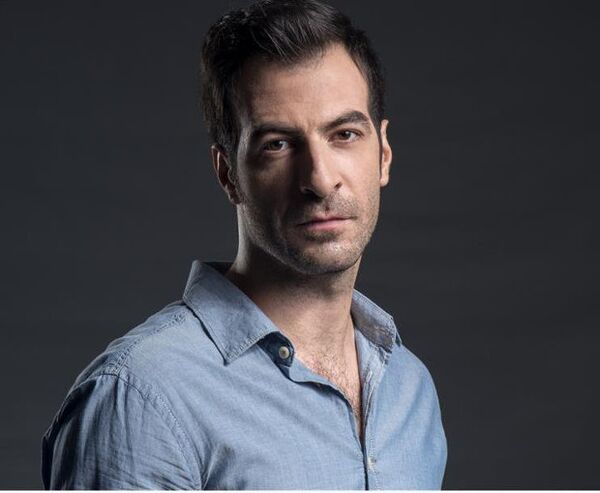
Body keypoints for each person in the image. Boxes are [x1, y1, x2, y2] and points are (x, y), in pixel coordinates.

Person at [41, 0, 447, 489]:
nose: (320, 179)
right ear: (227, 173)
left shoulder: (409, 389)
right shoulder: (143, 398)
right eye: (278, 144)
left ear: (382, 154)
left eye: (344, 134)